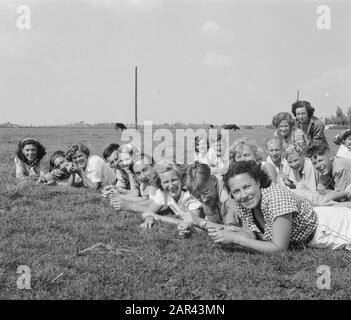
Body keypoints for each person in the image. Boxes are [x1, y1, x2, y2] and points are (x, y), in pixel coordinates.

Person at [207, 161, 351, 253]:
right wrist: (229, 232)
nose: (243, 195)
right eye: (236, 191)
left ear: (257, 182)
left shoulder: (275, 197)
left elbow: (279, 248)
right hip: (321, 227)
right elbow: (252, 235)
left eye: (246, 187)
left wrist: (237, 239)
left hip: (333, 227)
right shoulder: (243, 203)